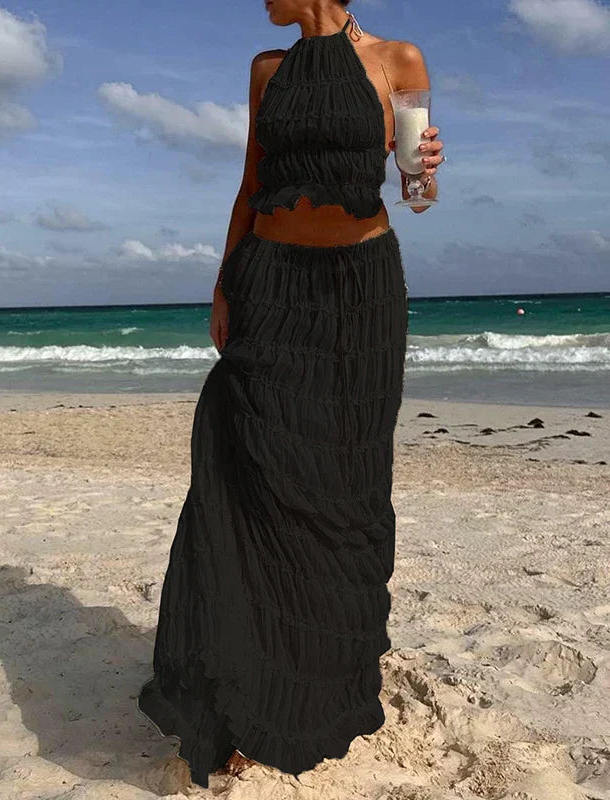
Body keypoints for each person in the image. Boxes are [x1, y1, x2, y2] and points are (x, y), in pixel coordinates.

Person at [137, 0, 445, 787]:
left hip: (359, 297)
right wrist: (223, 282)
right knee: (251, 473)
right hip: (269, 284)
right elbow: (252, 181)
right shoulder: (266, 71)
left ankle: (323, 686)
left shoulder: (399, 61)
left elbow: (416, 193)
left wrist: (426, 169)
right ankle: (247, 700)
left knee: (343, 491)